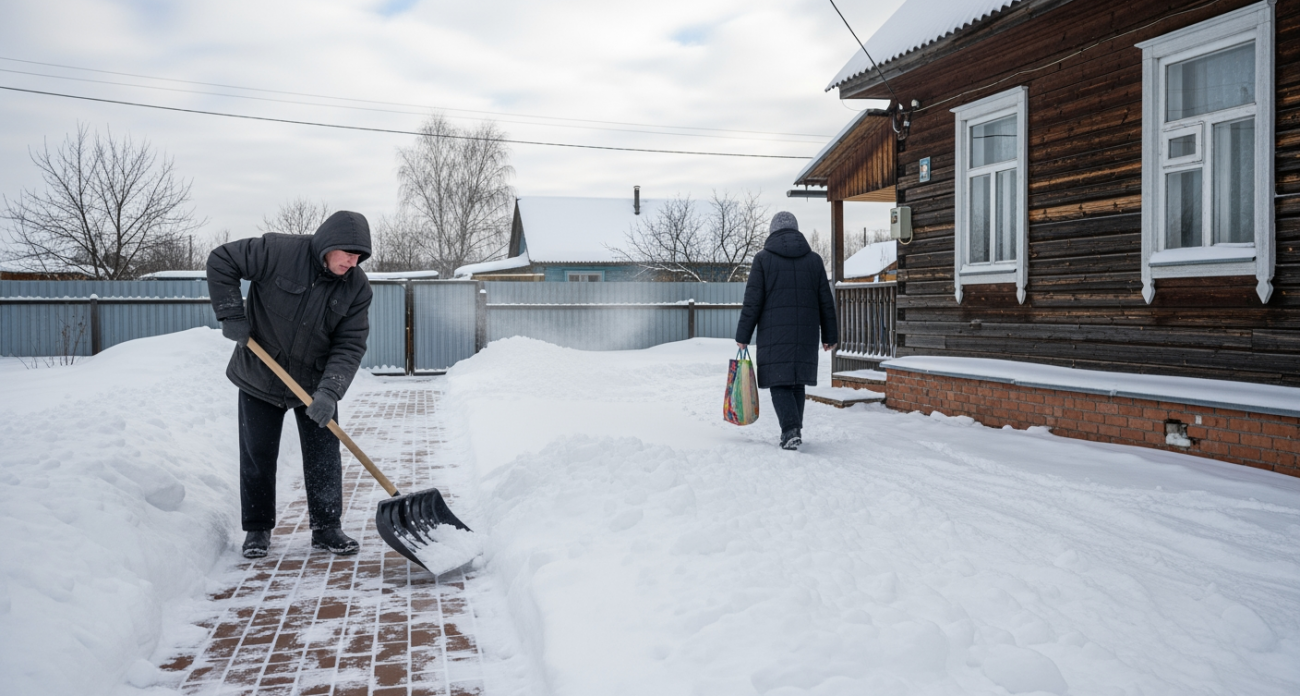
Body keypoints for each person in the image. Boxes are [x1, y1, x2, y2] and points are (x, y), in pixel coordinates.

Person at [206, 211, 374, 558]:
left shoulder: (357, 287)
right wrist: (230, 312)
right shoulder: (278, 252)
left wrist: (330, 391)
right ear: (328, 244)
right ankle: (257, 530)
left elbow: (350, 344)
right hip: (259, 371)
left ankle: (327, 528)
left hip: (314, 382)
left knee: (324, 454)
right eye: (347, 253)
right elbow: (222, 259)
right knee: (258, 453)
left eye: (359, 256)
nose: (352, 262)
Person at [735, 211, 838, 450]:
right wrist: (829, 336)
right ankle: (794, 431)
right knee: (796, 381)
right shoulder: (814, 260)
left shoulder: (762, 259)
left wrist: (743, 336)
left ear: (772, 232)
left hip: (774, 333)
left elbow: (753, 302)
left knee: (779, 382)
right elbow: (826, 301)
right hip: (807, 333)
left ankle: (790, 430)